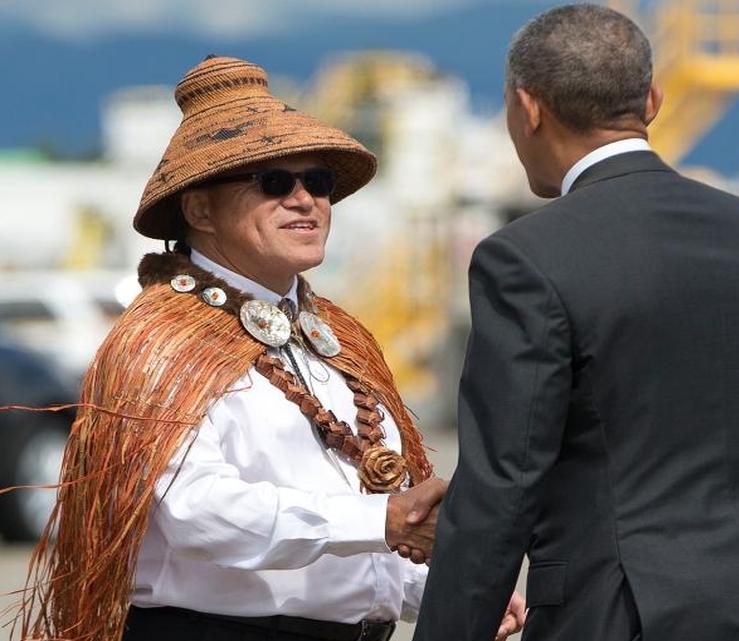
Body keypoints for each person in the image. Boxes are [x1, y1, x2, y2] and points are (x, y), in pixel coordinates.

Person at [13, 55, 522, 641]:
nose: (306, 200)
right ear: (199, 209)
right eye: (274, 182)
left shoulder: (334, 337)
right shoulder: (160, 341)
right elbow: (197, 511)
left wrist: (448, 589)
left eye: (319, 183)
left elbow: (361, 538)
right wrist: (382, 520)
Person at [412, 5, 739, 641]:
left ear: (528, 107)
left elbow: (504, 483)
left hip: (623, 614)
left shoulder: (526, 257)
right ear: (652, 101)